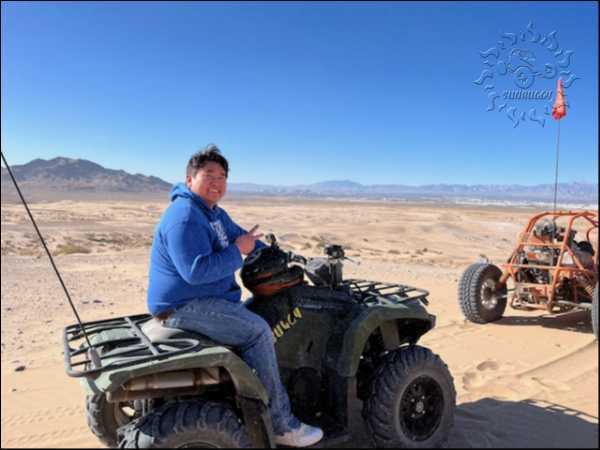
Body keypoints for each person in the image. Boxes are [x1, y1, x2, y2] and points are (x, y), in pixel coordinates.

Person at [146, 144, 323, 447]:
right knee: (258, 331)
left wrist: (278, 256)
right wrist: (237, 251)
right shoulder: (185, 216)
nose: (217, 182)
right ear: (190, 179)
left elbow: (244, 239)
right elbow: (195, 271)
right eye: (209, 175)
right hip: (184, 306)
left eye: (222, 176)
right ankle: (282, 424)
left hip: (202, 300)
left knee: (254, 312)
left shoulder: (212, 213)